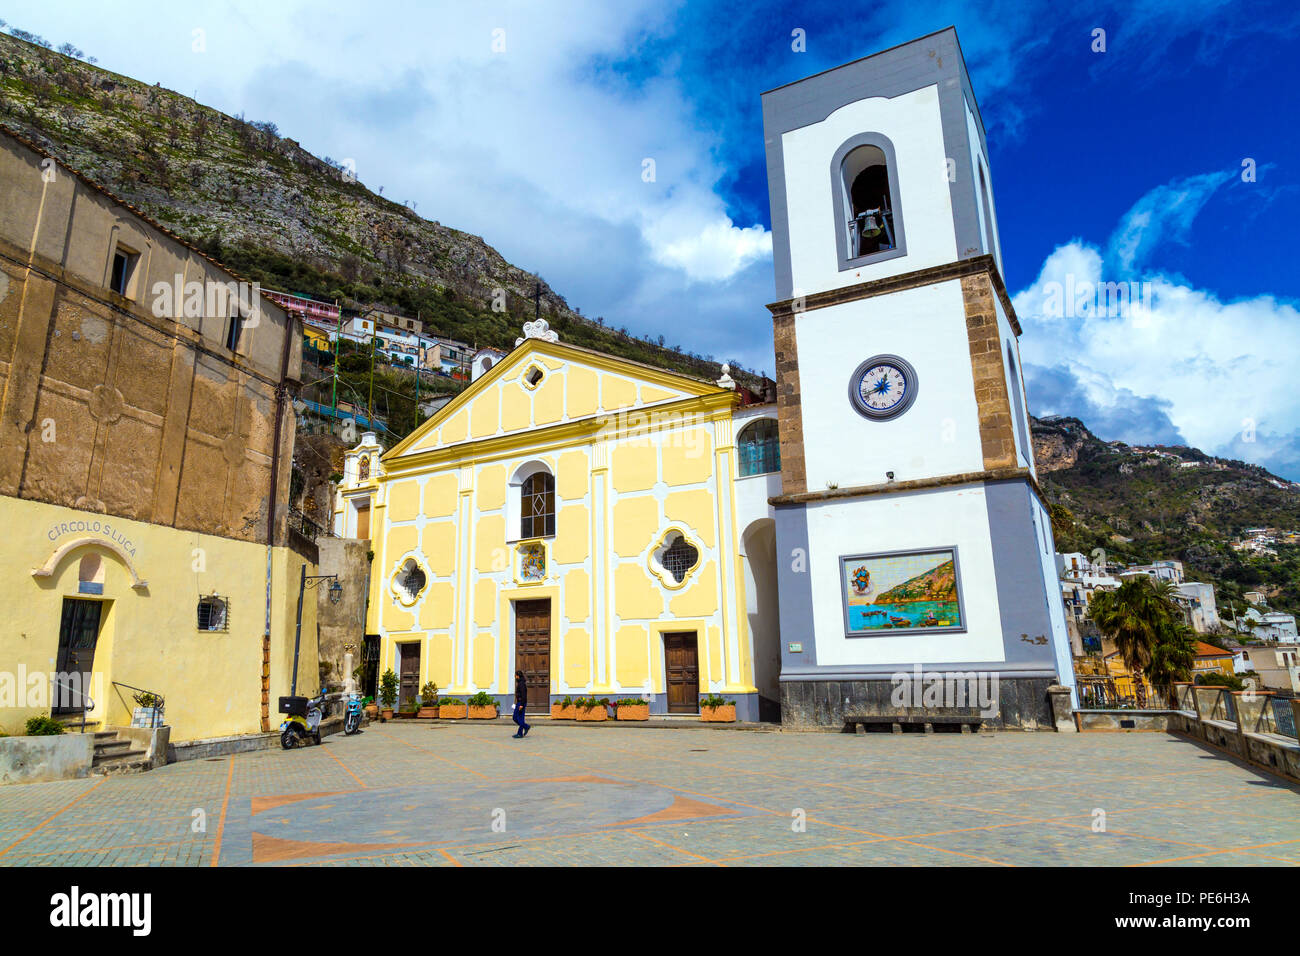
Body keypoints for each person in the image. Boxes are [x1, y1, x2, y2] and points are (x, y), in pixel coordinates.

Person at [512, 669, 531, 738]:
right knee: (516, 718)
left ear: (518, 676)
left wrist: (522, 705)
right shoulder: (520, 683)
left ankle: (522, 731)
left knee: (518, 718)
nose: (515, 677)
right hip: (518, 703)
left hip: (521, 703)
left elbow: (524, 695)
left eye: (515, 675)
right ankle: (525, 727)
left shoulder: (521, 684)